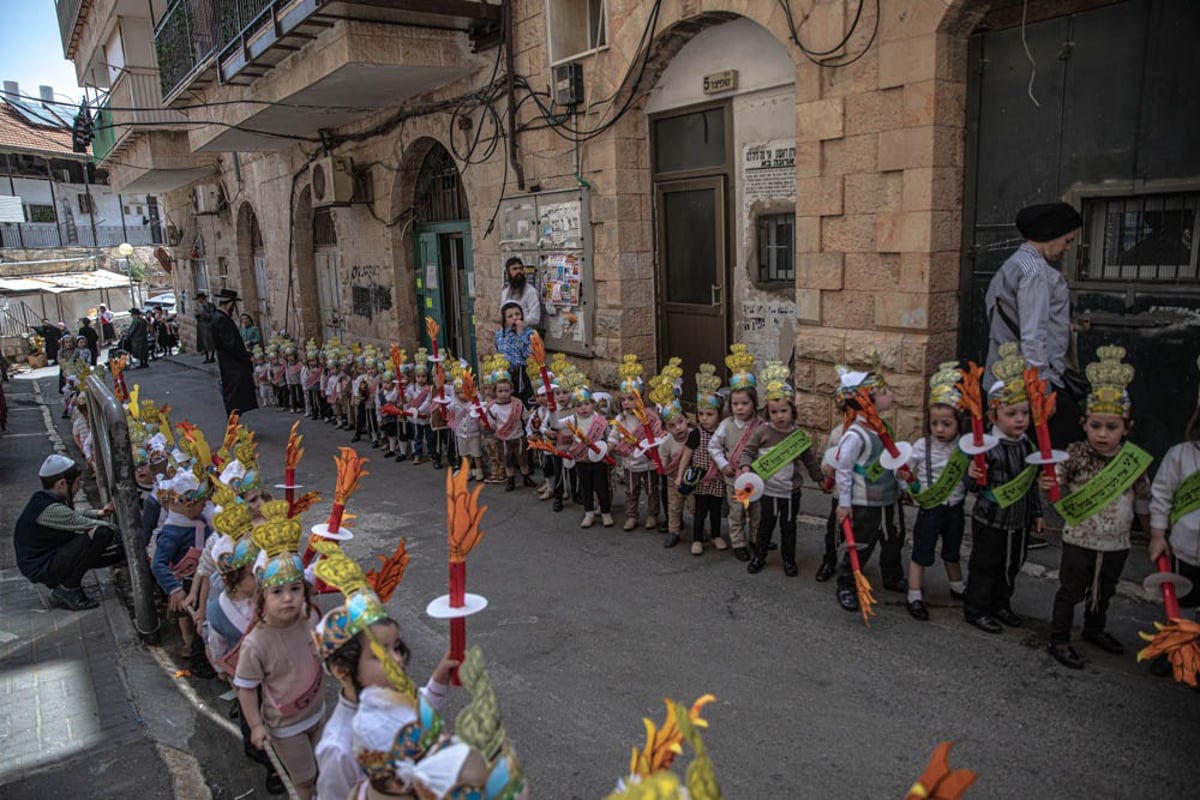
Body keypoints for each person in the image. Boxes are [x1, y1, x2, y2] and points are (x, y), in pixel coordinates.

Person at [312, 546, 455, 800]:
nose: (398, 659)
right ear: (341, 669)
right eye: (380, 654)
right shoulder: (339, 748)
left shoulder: (389, 697)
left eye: (396, 647)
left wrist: (439, 679)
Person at [1047, 347, 1151, 669]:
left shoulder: (1132, 461)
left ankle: (1095, 629)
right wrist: (1047, 483)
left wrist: (1151, 535)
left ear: (1126, 427)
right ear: (1084, 423)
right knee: (1071, 590)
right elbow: (1055, 483)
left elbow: (1144, 498)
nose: (1102, 434)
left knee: (1104, 591)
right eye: (1096, 426)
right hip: (1080, 538)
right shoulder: (1076, 453)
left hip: (1117, 542)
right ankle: (1059, 638)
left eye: (1111, 426)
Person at [235, 501, 323, 800]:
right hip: (285, 726)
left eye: (295, 589)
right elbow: (246, 688)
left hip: (318, 712)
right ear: (262, 595)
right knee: (305, 781)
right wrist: (256, 725)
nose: (288, 599)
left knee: (324, 770)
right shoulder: (256, 643)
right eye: (277, 592)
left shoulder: (310, 617)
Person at [962, 342, 1045, 634]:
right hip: (991, 518)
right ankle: (976, 608)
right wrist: (972, 473)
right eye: (1012, 414)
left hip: (1018, 519)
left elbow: (1032, 483)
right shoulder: (986, 447)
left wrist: (1037, 513)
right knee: (986, 564)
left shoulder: (1028, 445)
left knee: (1012, 564)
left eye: (1024, 413)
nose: (1020, 419)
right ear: (994, 416)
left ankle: (1001, 604)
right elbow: (972, 484)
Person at [985, 201, 1084, 438]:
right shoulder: (1034, 271)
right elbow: (1033, 335)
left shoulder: (1013, 265)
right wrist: (1042, 389)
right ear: (1052, 234)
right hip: (1026, 387)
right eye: (1067, 240)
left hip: (1001, 378)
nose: (1068, 248)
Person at [833, 363, 907, 612]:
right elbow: (843, 469)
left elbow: (892, 460)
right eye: (884, 392)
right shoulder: (855, 435)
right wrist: (845, 503)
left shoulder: (880, 428)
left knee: (893, 537)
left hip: (889, 495)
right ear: (867, 400)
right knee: (863, 542)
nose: (890, 395)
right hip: (865, 500)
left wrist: (903, 484)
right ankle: (847, 583)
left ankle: (892, 576)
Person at [740, 364, 825, 575]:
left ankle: (789, 560)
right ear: (768, 413)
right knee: (765, 525)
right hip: (767, 490)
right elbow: (748, 451)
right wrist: (744, 466)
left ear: (792, 411)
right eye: (774, 412)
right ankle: (760, 556)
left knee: (789, 527)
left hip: (790, 492)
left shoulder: (798, 437)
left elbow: (809, 460)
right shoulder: (762, 432)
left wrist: (820, 479)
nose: (779, 416)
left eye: (784, 411)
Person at [13, 454, 123, 611]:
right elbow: (85, 523)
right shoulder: (50, 509)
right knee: (102, 533)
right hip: (42, 565)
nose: (78, 488)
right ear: (62, 484)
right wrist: (126, 532)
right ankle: (68, 588)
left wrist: (99, 512)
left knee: (103, 545)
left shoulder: (44, 499)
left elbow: (73, 516)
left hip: (44, 558)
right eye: (78, 482)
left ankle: (67, 585)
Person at [904, 363, 970, 621]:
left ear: (958, 422)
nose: (940, 429)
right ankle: (914, 593)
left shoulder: (964, 447)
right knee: (922, 551)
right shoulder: (922, 446)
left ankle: (957, 587)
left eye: (947, 423)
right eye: (935, 423)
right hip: (930, 508)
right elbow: (907, 468)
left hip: (954, 507)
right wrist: (906, 485)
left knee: (952, 550)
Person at [1149, 356, 1200, 619]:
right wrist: (1158, 536)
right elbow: (1161, 496)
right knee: (1181, 603)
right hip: (1185, 548)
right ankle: (1178, 650)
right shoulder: (1180, 455)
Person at [708, 345, 762, 559]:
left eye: (745, 403)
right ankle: (738, 542)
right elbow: (714, 446)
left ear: (754, 403)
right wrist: (723, 465)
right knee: (738, 511)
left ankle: (757, 538)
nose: (740, 408)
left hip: (755, 478)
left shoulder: (761, 425)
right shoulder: (726, 425)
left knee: (756, 511)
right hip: (735, 479)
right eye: (736, 404)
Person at [679, 364, 728, 554]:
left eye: (710, 414)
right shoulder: (695, 434)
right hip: (699, 479)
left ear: (719, 414)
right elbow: (687, 455)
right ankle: (697, 538)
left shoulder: (722, 433)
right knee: (700, 511)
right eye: (701, 414)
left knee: (716, 510)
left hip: (716, 478)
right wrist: (680, 475)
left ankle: (716, 535)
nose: (705, 418)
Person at [609, 355, 661, 531]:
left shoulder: (650, 416)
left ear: (641, 398)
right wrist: (607, 449)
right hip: (630, 463)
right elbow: (614, 436)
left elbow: (659, 436)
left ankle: (653, 514)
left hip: (649, 464)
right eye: (623, 399)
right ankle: (631, 515)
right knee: (631, 491)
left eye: (631, 399)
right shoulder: (620, 418)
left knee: (652, 490)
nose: (626, 403)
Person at [563, 372, 613, 528]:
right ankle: (589, 513)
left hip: (598, 460)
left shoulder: (600, 419)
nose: (583, 408)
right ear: (574, 407)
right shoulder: (573, 420)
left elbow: (609, 436)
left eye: (586, 404)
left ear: (592, 403)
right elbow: (557, 425)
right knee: (586, 488)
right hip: (581, 460)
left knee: (601, 488)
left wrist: (608, 452)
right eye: (578, 405)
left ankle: (605, 512)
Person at [485, 355, 534, 491]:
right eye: (500, 391)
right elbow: (491, 422)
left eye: (507, 391)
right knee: (508, 461)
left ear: (512, 390)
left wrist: (530, 430)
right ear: (495, 392)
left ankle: (526, 477)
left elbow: (525, 418)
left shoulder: (517, 404)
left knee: (522, 459)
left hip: (518, 436)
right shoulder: (492, 407)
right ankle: (510, 480)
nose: (504, 394)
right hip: (504, 438)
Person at [210, 289, 259, 416]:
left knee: (236, 398)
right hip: (232, 365)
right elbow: (231, 345)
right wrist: (247, 356)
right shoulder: (222, 319)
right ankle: (234, 428)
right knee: (235, 398)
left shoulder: (218, 317)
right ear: (230, 304)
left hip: (229, 363)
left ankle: (235, 426)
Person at [494, 301, 535, 405]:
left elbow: (527, 354)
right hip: (505, 373)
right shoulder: (500, 334)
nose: (515, 318)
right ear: (505, 320)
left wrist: (520, 333)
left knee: (524, 402)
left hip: (521, 373)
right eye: (510, 316)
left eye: (517, 314)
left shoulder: (529, 333)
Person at [500, 256, 541, 329]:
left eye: (520, 268)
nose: (518, 271)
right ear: (508, 272)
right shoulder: (505, 292)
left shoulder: (530, 291)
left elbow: (535, 318)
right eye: (514, 269)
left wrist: (516, 321)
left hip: (525, 333)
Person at [195, 291, 216, 363]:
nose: (198, 301)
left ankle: (212, 357)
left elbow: (212, 315)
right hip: (201, 325)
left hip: (208, 325)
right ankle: (207, 357)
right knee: (203, 342)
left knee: (211, 341)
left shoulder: (210, 305)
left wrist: (203, 314)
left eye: (199, 299)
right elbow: (196, 314)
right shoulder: (198, 307)